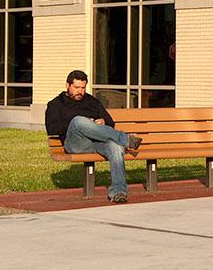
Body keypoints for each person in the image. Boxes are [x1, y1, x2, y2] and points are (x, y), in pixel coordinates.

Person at [43, 70, 143, 203]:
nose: (80, 91)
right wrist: (84, 123)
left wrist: (102, 121)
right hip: (75, 143)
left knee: (115, 147)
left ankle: (118, 192)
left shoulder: (91, 101)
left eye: (83, 88)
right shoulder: (56, 104)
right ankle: (125, 139)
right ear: (67, 85)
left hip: (96, 142)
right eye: (76, 87)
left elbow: (110, 122)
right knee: (78, 121)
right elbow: (52, 129)